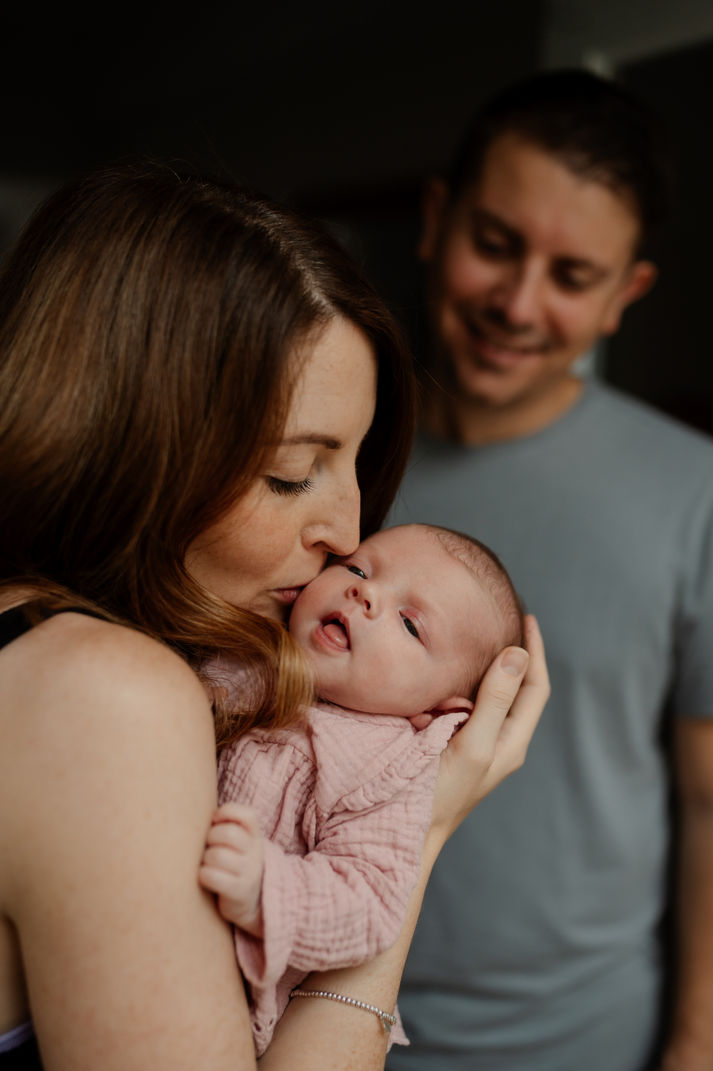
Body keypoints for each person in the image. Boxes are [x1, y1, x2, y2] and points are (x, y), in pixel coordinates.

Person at [0, 161, 549, 1070]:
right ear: (134, 443)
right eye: (293, 473)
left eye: (354, 464)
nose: (348, 534)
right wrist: (424, 829)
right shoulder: (106, 698)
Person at [385, 67, 713, 1071]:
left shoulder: (697, 492)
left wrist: (696, 1049)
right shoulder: (329, 457)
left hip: (584, 1045)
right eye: (494, 244)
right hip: (299, 1022)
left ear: (623, 296)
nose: (517, 303)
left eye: (572, 276)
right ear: (435, 220)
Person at [199, 522, 524, 1055]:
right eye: (358, 569)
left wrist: (265, 888)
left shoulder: (390, 770)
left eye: (410, 623)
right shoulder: (250, 653)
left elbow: (367, 905)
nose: (366, 593)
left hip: (231, 1006)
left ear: (440, 711)